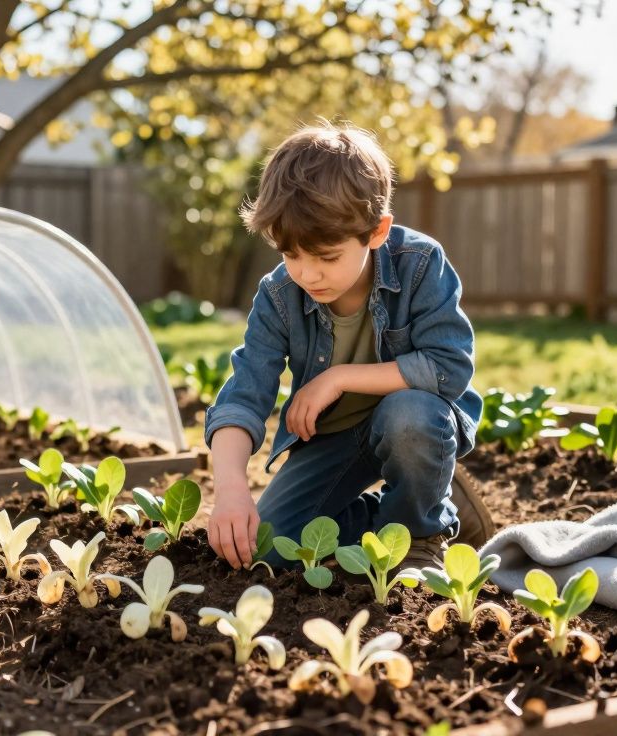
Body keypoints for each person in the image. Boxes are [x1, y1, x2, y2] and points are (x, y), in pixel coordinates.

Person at [203, 121, 495, 572]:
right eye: (291, 254)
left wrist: (338, 378)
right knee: (271, 547)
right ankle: (443, 511)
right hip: (333, 437)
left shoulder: (420, 265)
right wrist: (230, 491)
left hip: (410, 423)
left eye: (327, 257)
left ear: (376, 232)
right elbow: (243, 396)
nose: (307, 274)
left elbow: (447, 368)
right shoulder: (279, 295)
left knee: (411, 417)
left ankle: (421, 533)